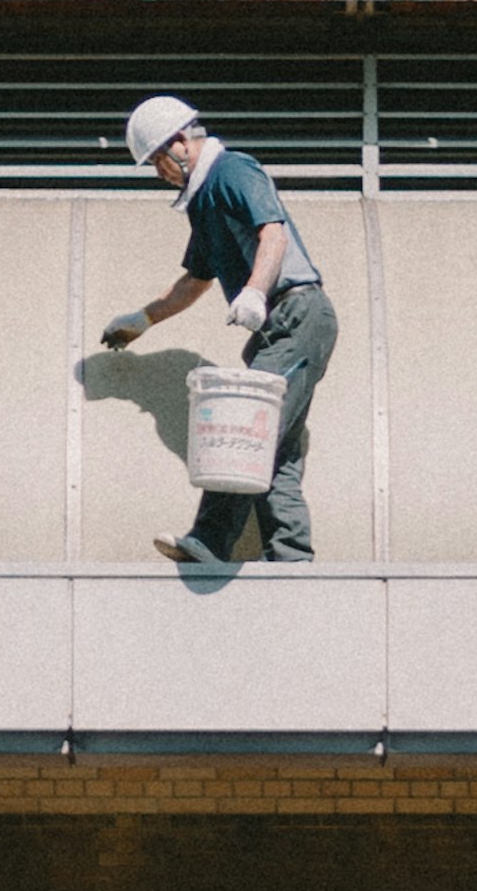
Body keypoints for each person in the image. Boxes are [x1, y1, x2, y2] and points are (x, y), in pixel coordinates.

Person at [102, 94, 337, 581]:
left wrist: (254, 291)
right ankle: (292, 565)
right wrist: (141, 320)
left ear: (180, 143)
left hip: (297, 315)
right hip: (279, 329)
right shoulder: (203, 202)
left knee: (247, 430)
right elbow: (196, 281)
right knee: (276, 452)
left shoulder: (232, 170)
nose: (158, 174)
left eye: (156, 162)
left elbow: (272, 233)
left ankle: (211, 541)